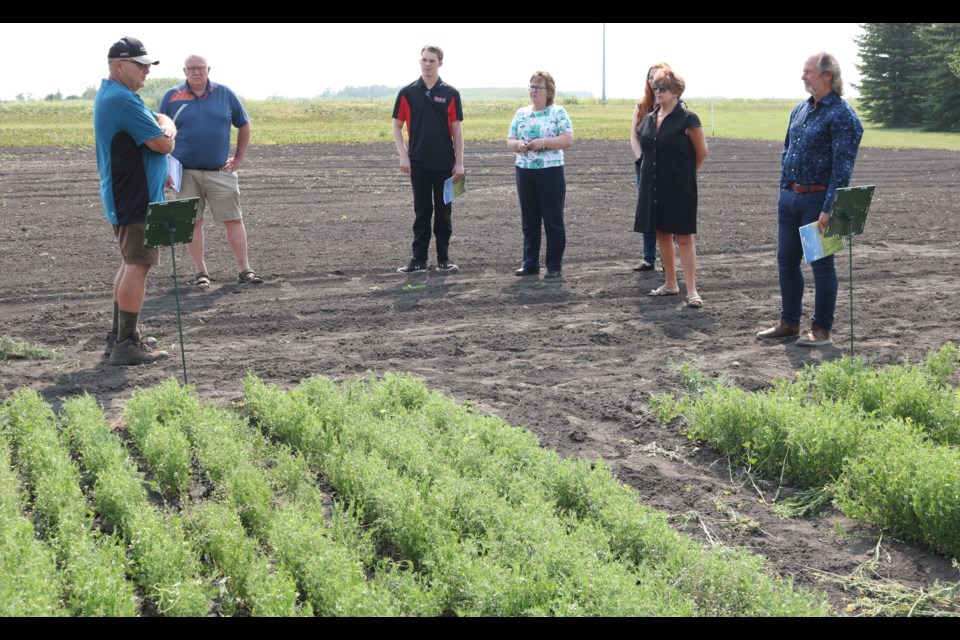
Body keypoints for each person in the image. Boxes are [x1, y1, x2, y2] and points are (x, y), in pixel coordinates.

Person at [756, 52, 863, 346]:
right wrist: (783, 188)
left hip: (818, 202)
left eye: (808, 72)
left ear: (827, 76)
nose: (803, 77)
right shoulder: (799, 110)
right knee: (786, 261)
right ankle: (789, 323)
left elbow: (843, 169)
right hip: (791, 198)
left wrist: (830, 208)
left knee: (822, 265)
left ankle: (821, 330)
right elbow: (786, 150)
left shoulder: (842, 115)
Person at [94, 36, 176, 366]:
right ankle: (126, 343)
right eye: (141, 65)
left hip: (127, 195)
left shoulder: (122, 96)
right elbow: (162, 144)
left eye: (148, 66)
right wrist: (169, 131)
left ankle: (121, 335)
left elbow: (157, 119)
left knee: (130, 264)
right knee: (138, 266)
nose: (147, 72)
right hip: (136, 198)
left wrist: (166, 121)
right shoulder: (122, 100)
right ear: (119, 65)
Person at [158, 54, 262, 288]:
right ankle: (200, 273)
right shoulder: (171, 97)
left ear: (208, 70)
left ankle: (245, 269)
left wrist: (238, 159)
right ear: (184, 71)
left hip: (220, 171)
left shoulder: (225, 94)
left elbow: (244, 123)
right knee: (192, 222)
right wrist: (164, 169)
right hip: (184, 173)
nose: (197, 72)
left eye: (201, 68)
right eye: (192, 68)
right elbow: (160, 132)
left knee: (233, 219)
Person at [635, 68, 708, 308]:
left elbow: (701, 153)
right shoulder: (648, 119)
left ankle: (692, 290)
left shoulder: (688, 119)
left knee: (684, 237)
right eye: (655, 87)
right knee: (661, 234)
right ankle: (670, 284)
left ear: (676, 91)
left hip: (679, 187)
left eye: (662, 87)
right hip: (652, 187)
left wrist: (684, 174)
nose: (657, 91)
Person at [392, 44, 465, 274]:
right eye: (424, 59)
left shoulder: (451, 93)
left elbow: (457, 129)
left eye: (432, 60)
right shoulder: (407, 93)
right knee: (422, 212)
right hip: (419, 164)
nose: (427, 64)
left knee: (444, 213)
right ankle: (418, 261)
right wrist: (404, 155)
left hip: (445, 164)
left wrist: (459, 162)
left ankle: (444, 260)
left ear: (440, 64)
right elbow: (396, 125)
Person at [507, 71, 575, 279]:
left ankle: (554, 265)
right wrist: (519, 145)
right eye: (531, 86)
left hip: (550, 171)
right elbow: (510, 139)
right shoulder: (522, 113)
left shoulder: (557, 112)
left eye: (538, 87)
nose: (533, 91)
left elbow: (568, 139)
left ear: (549, 91)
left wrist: (543, 143)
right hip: (525, 172)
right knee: (529, 220)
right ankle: (530, 263)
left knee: (553, 220)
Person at [630, 62, 672, 273]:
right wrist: (641, 160)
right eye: (650, 78)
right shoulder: (641, 106)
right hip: (645, 168)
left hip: (668, 169)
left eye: (658, 78)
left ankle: (668, 259)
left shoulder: (678, 107)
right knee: (647, 210)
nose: (654, 83)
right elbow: (634, 137)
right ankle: (649, 258)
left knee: (667, 212)